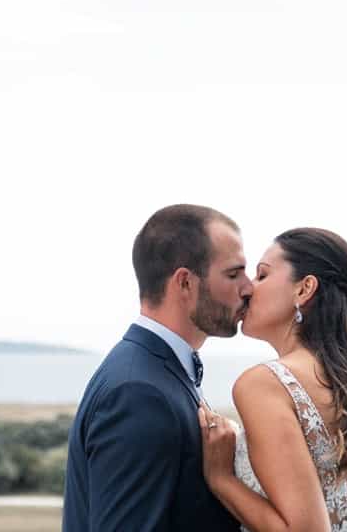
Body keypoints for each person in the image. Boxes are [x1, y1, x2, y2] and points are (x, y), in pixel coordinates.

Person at [63, 204, 253, 532]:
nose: (249, 287)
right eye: (234, 274)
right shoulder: (139, 393)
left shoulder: (158, 371)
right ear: (184, 283)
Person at [198, 228, 347, 532]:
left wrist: (222, 479)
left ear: (304, 289)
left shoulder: (266, 384)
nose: (248, 289)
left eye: (262, 276)